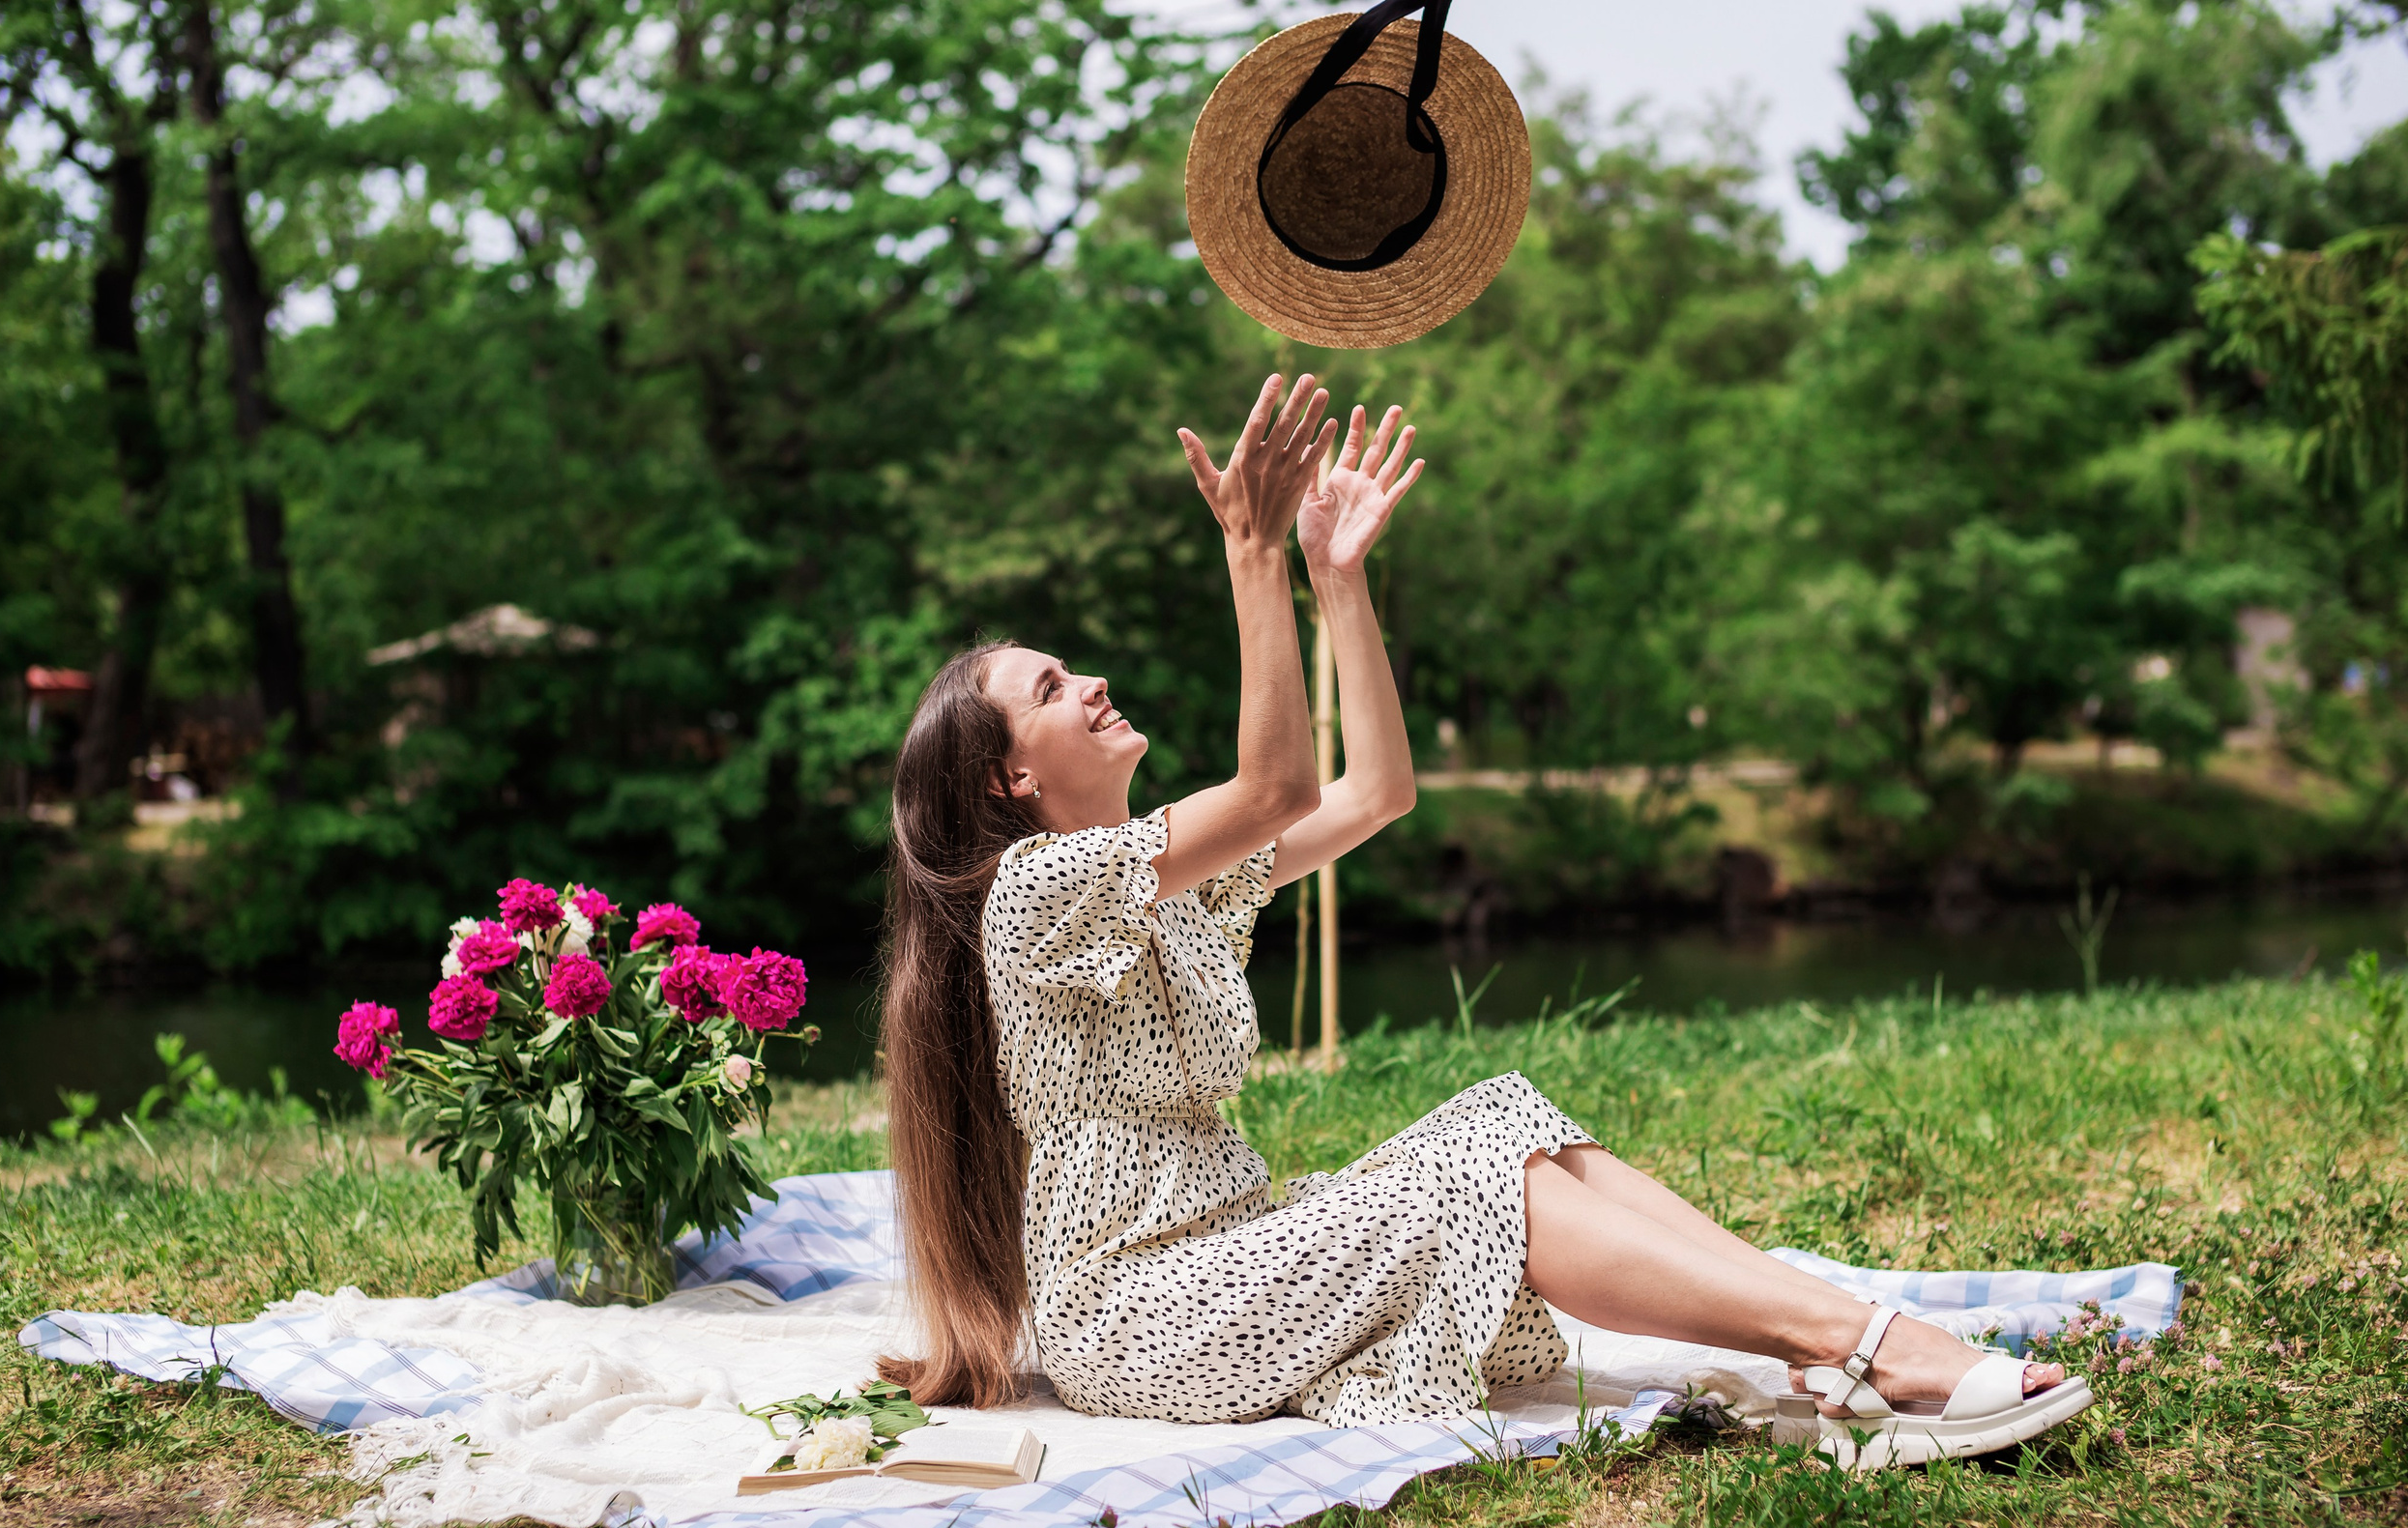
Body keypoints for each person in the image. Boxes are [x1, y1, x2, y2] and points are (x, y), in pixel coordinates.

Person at [875, 374, 2090, 1460]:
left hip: (1236, 1255)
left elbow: (1373, 794)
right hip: (1146, 1313)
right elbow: (1277, 790)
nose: (1088, 680)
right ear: (1009, 780)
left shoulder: (1170, 880)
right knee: (1462, 1177)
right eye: (1048, 685)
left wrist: (1337, 580)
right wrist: (1252, 553)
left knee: (1502, 1116)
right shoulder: (1034, 892)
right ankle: (1875, 1341)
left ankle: (1821, 1333)